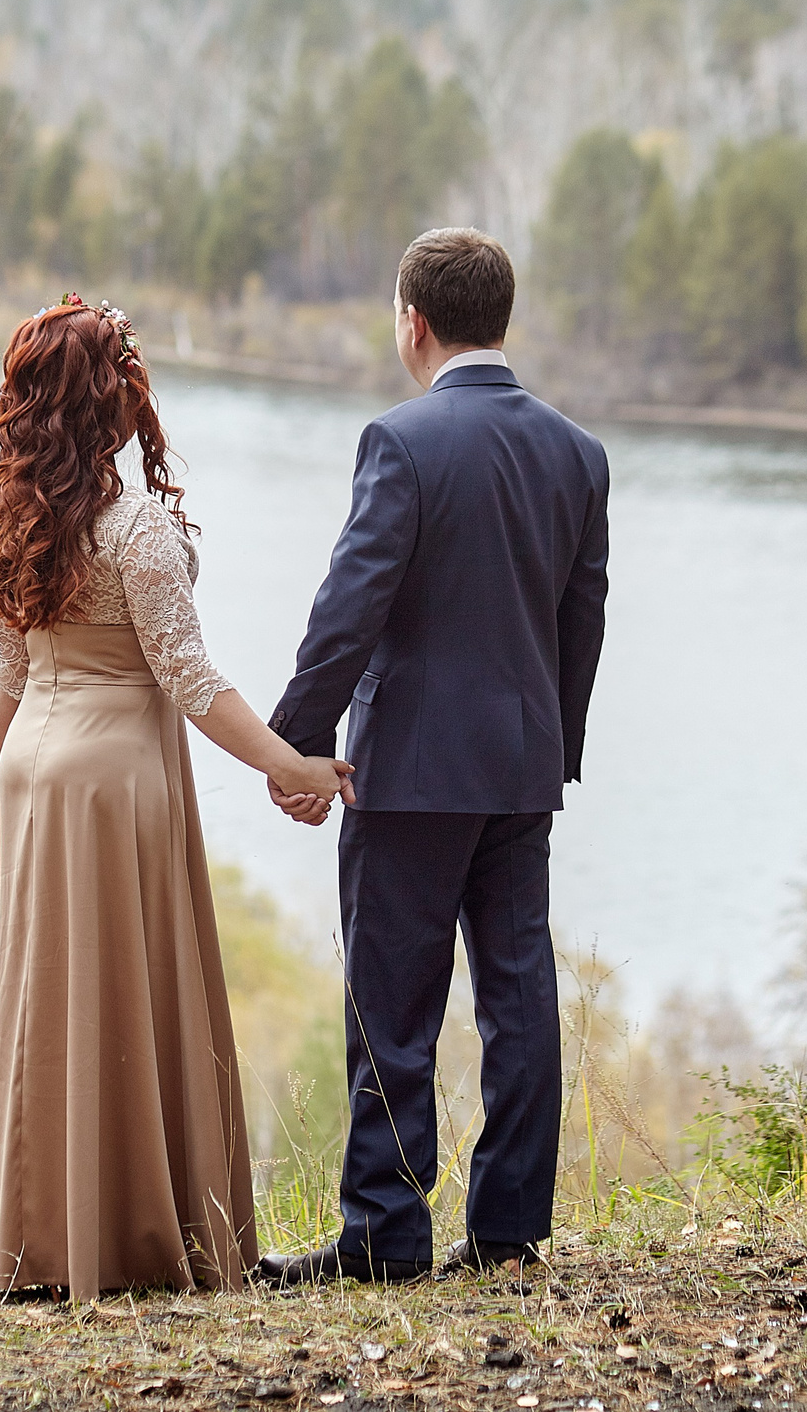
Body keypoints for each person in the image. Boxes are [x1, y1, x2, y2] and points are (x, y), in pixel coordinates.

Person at [0, 295, 354, 1299]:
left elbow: (6, 677)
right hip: (116, 779)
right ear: (109, 403)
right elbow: (189, 681)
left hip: (39, 777)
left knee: (47, 1000)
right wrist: (291, 767)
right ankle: (131, 1233)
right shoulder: (134, 531)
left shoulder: (4, 510)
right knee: (119, 996)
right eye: (129, 380)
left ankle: (38, 1241)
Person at [256, 228, 610, 1285]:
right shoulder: (577, 452)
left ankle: (383, 1237)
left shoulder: (401, 443)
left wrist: (295, 744)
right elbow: (579, 620)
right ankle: (505, 1234)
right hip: (518, 767)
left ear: (413, 322)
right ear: (501, 319)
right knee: (518, 999)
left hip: (406, 773)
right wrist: (550, 744)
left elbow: (347, 609)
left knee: (391, 1008)